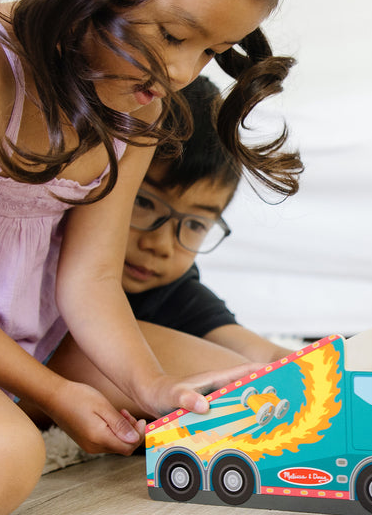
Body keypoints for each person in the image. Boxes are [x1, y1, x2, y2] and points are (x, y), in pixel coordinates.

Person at [0, 0, 302, 515]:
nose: (183, 73)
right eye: (175, 35)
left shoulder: (141, 104)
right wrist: (52, 395)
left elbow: (91, 277)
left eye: (212, 51)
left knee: (251, 395)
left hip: (38, 331)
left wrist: (152, 389)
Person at [123, 76, 293, 364]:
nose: (160, 245)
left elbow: (266, 355)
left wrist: (346, 366)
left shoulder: (174, 293)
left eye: (194, 225)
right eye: (144, 203)